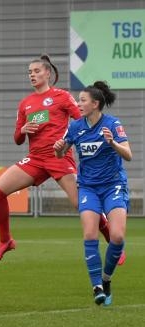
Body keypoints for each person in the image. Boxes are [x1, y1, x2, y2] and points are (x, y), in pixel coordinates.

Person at [0, 54, 126, 265]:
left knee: (83, 204)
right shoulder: (25, 104)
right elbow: (17, 139)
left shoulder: (61, 96)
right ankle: (5, 241)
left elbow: (84, 121)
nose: (32, 75)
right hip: (35, 159)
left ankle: (111, 240)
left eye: (37, 71)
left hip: (59, 158)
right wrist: (22, 130)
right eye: (30, 72)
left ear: (48, 73)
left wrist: (97, 143)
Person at [54, 81, 131, 306]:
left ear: (95, 104)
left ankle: (106, 280)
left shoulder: (113, 124)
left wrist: (113, 143)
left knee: (117, 237)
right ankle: (96, 286)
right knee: (90, 235)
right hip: (88, 187)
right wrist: (59, 149)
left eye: (82, 100)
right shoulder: (76, 127)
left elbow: (128, 155)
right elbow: (61, 155)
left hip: (113, 185)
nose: (78, 104)